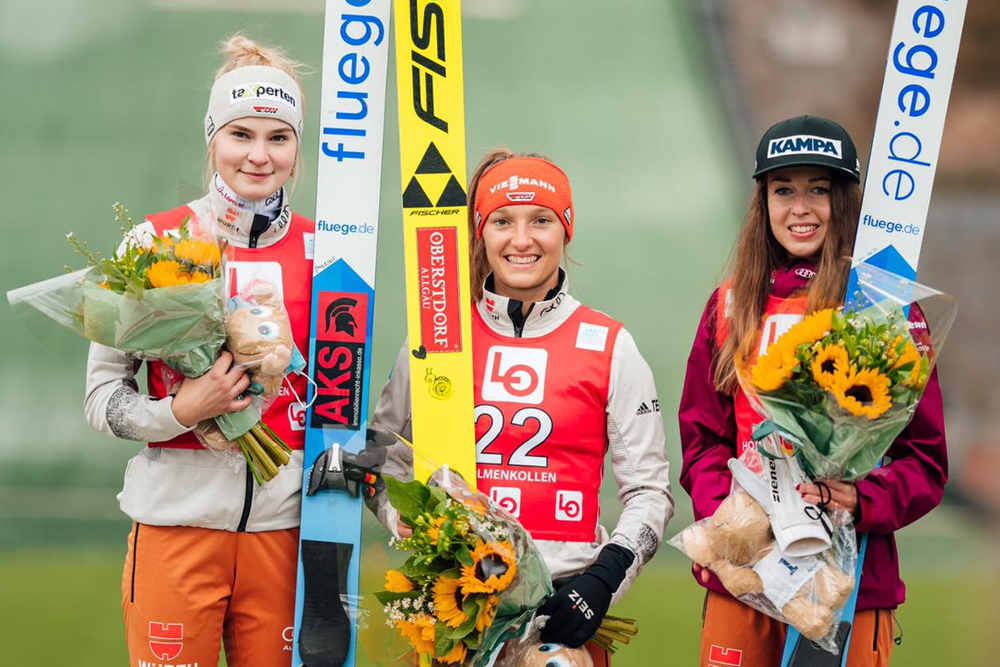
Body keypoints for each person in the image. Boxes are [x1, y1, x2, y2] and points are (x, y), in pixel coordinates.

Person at [372, 150, 674, 665]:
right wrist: (400, 515)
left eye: (541, 220)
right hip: (458, 610)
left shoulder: (610, 345)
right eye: (502, 221)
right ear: (481, 233)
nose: (521, 239)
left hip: (565, 613)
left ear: (566, 229)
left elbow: (650, 492)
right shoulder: (438, 338)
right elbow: (384, 456)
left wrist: (602, 581)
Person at [678, 115, 947, 666]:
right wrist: (735, 516)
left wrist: (861, 499)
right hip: (744, 576)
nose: (799, 208)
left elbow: (925, 460)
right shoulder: (730, 305)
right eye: (783, 190)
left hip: (848, 579)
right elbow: (701, 439)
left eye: (818, 190)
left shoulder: (883, 310)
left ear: (844, 201)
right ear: (763, 202)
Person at [84, 35, 318, 666]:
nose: (259, 155)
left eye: (279, 137)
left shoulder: (328, 255)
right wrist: (181, 410)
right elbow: (101, 399)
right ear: (212, 138)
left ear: (297, 149)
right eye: (241, 134)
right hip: (174, 529)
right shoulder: (152, 241)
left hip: (284, 534)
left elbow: (338, 398)